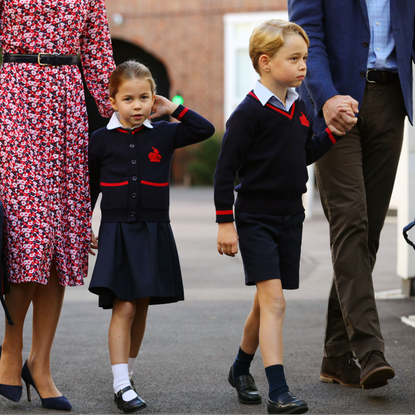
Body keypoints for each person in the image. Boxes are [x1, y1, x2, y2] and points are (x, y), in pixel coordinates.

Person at [214, 20, 356, 415]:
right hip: (255, 217)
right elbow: (225, 171)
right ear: (265, 62)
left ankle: (240, 368)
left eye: (305, 58)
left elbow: (303, 153)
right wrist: (225, 222)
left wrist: (331, 133)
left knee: (265, 302)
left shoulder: (301, 107)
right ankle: (279, 391)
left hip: (289, 216)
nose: (303, 66)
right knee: (275, 302)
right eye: (294, 58)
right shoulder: (247, 113)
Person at [288, 0, 415, 390]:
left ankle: (335, 356)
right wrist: (325, 98)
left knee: (368, 233)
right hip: (335, 104)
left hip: (391, 99)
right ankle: (370, 350)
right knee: (350, 222)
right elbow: (309, 38)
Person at [0, 0, 115, 411]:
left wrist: (127, 116)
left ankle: (41, 363)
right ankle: (10, 353)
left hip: (67, 102)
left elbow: (100, 57)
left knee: (59, 237)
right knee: (26, 235)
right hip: (15, 97)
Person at [88, 60, 215, 413]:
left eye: (144, 98)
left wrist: (173, 108)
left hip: (154, 229)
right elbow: (90, 187)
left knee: (141, 305)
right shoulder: (99, 140)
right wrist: (85, 222)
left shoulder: (163, 132)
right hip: (117, 231)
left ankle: (127, 375)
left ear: (153, 98)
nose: (137, 106)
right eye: (128, 99)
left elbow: (204, 128)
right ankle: (120, 385)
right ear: (112, 101)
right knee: (124, 305)